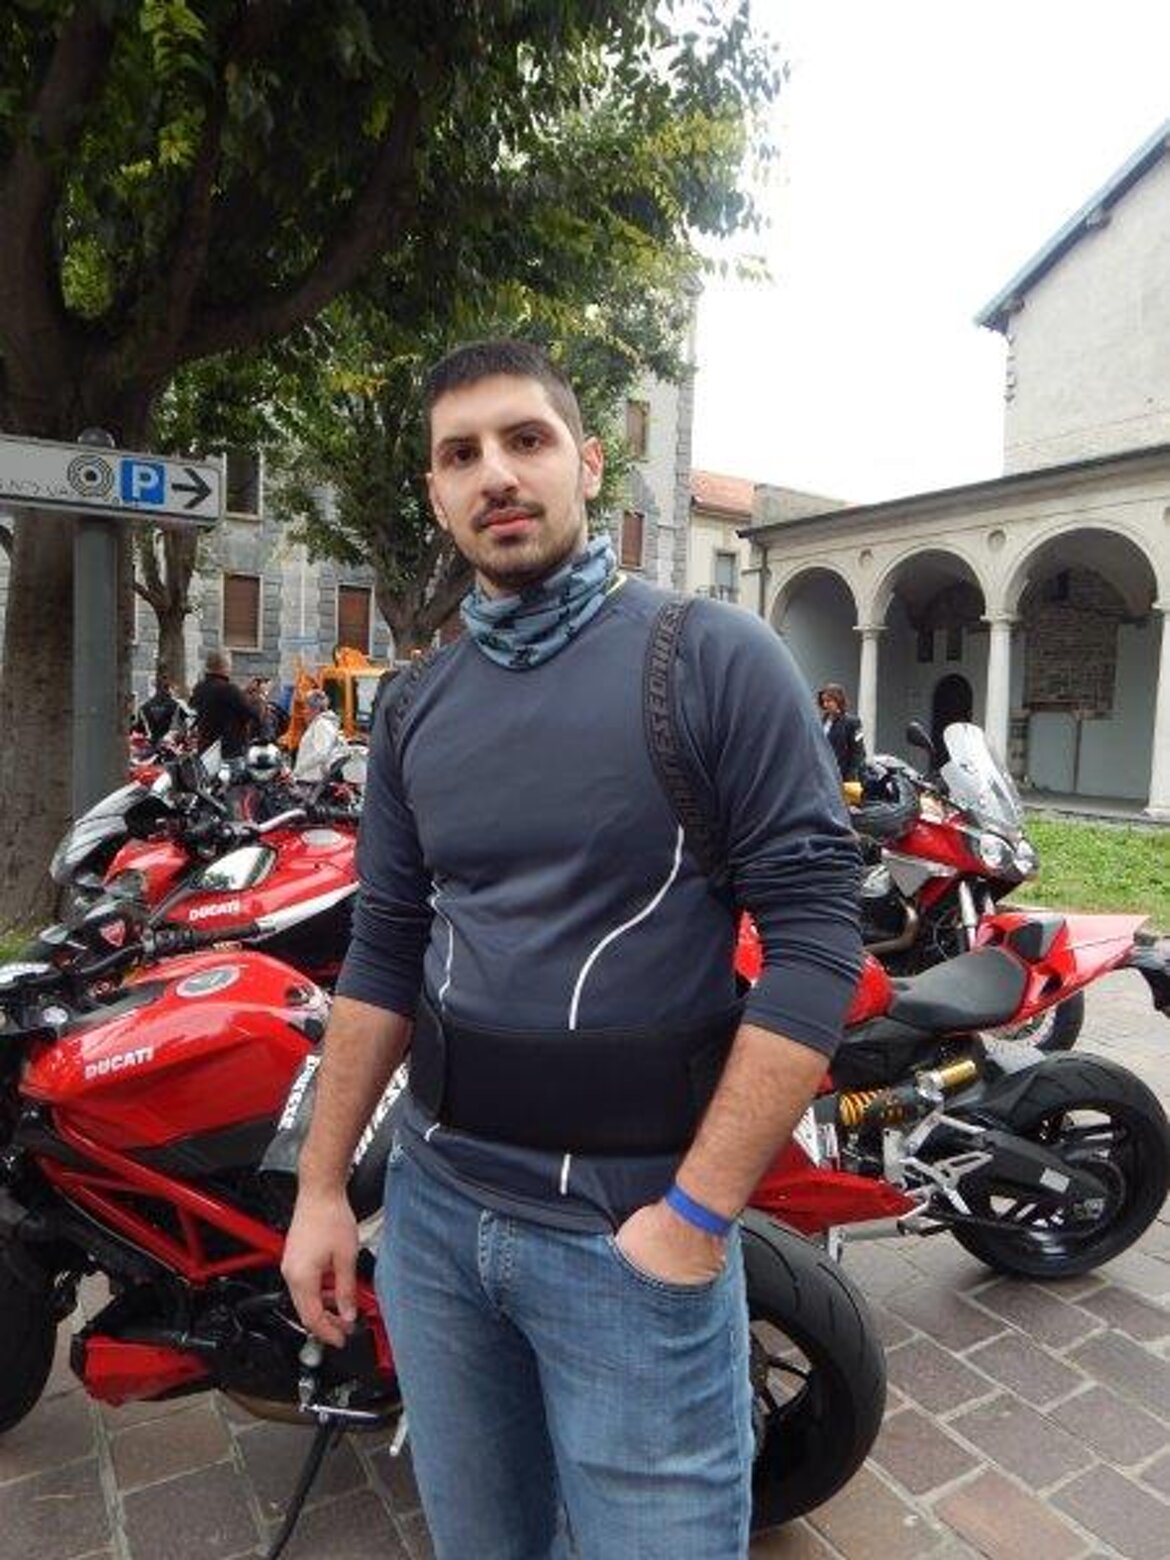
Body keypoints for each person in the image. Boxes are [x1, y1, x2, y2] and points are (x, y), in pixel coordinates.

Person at [281, 339, 862, 1560]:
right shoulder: (414, 706)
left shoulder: (713, 660)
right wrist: (324, 1188)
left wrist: (693, 1221)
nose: (495, 473)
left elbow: (815, 945)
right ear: (437, 493)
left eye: (526, 439)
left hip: (629, 1236)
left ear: (589, 464)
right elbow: (384, 951)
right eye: (460, 455)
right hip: (436, 1226)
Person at [189, 649, 262, 761]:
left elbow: (215, 701)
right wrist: (259, 698)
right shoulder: (229, 690)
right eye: (230, 664)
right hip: (228, 753)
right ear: (225, 667)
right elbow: (253, 714)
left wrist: (242, 692)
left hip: (205, 751)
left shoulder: (199, 688)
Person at [292, 688, 346, 784]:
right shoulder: (322, 723)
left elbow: (321, 753)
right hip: (313, 780)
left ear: (315, 709)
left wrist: (298, 770)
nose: (304, 712)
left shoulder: (321, 725)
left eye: (306, 708)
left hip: (313, 781)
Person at [817, 682, 866, 783]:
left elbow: (859, 752)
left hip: (842, 778)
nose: (825, 704)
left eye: (829, 701)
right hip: (822, 776)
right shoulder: (820, 722)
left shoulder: (852, 722)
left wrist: (850, 776)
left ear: (838, 700)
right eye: (823, 701)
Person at [131, 670, 185, 746]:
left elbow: (139, 730)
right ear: (169, 688)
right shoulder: (177, 706)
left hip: (150, 745)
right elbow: (183, 730)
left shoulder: (144, 707)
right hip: (169, 746)